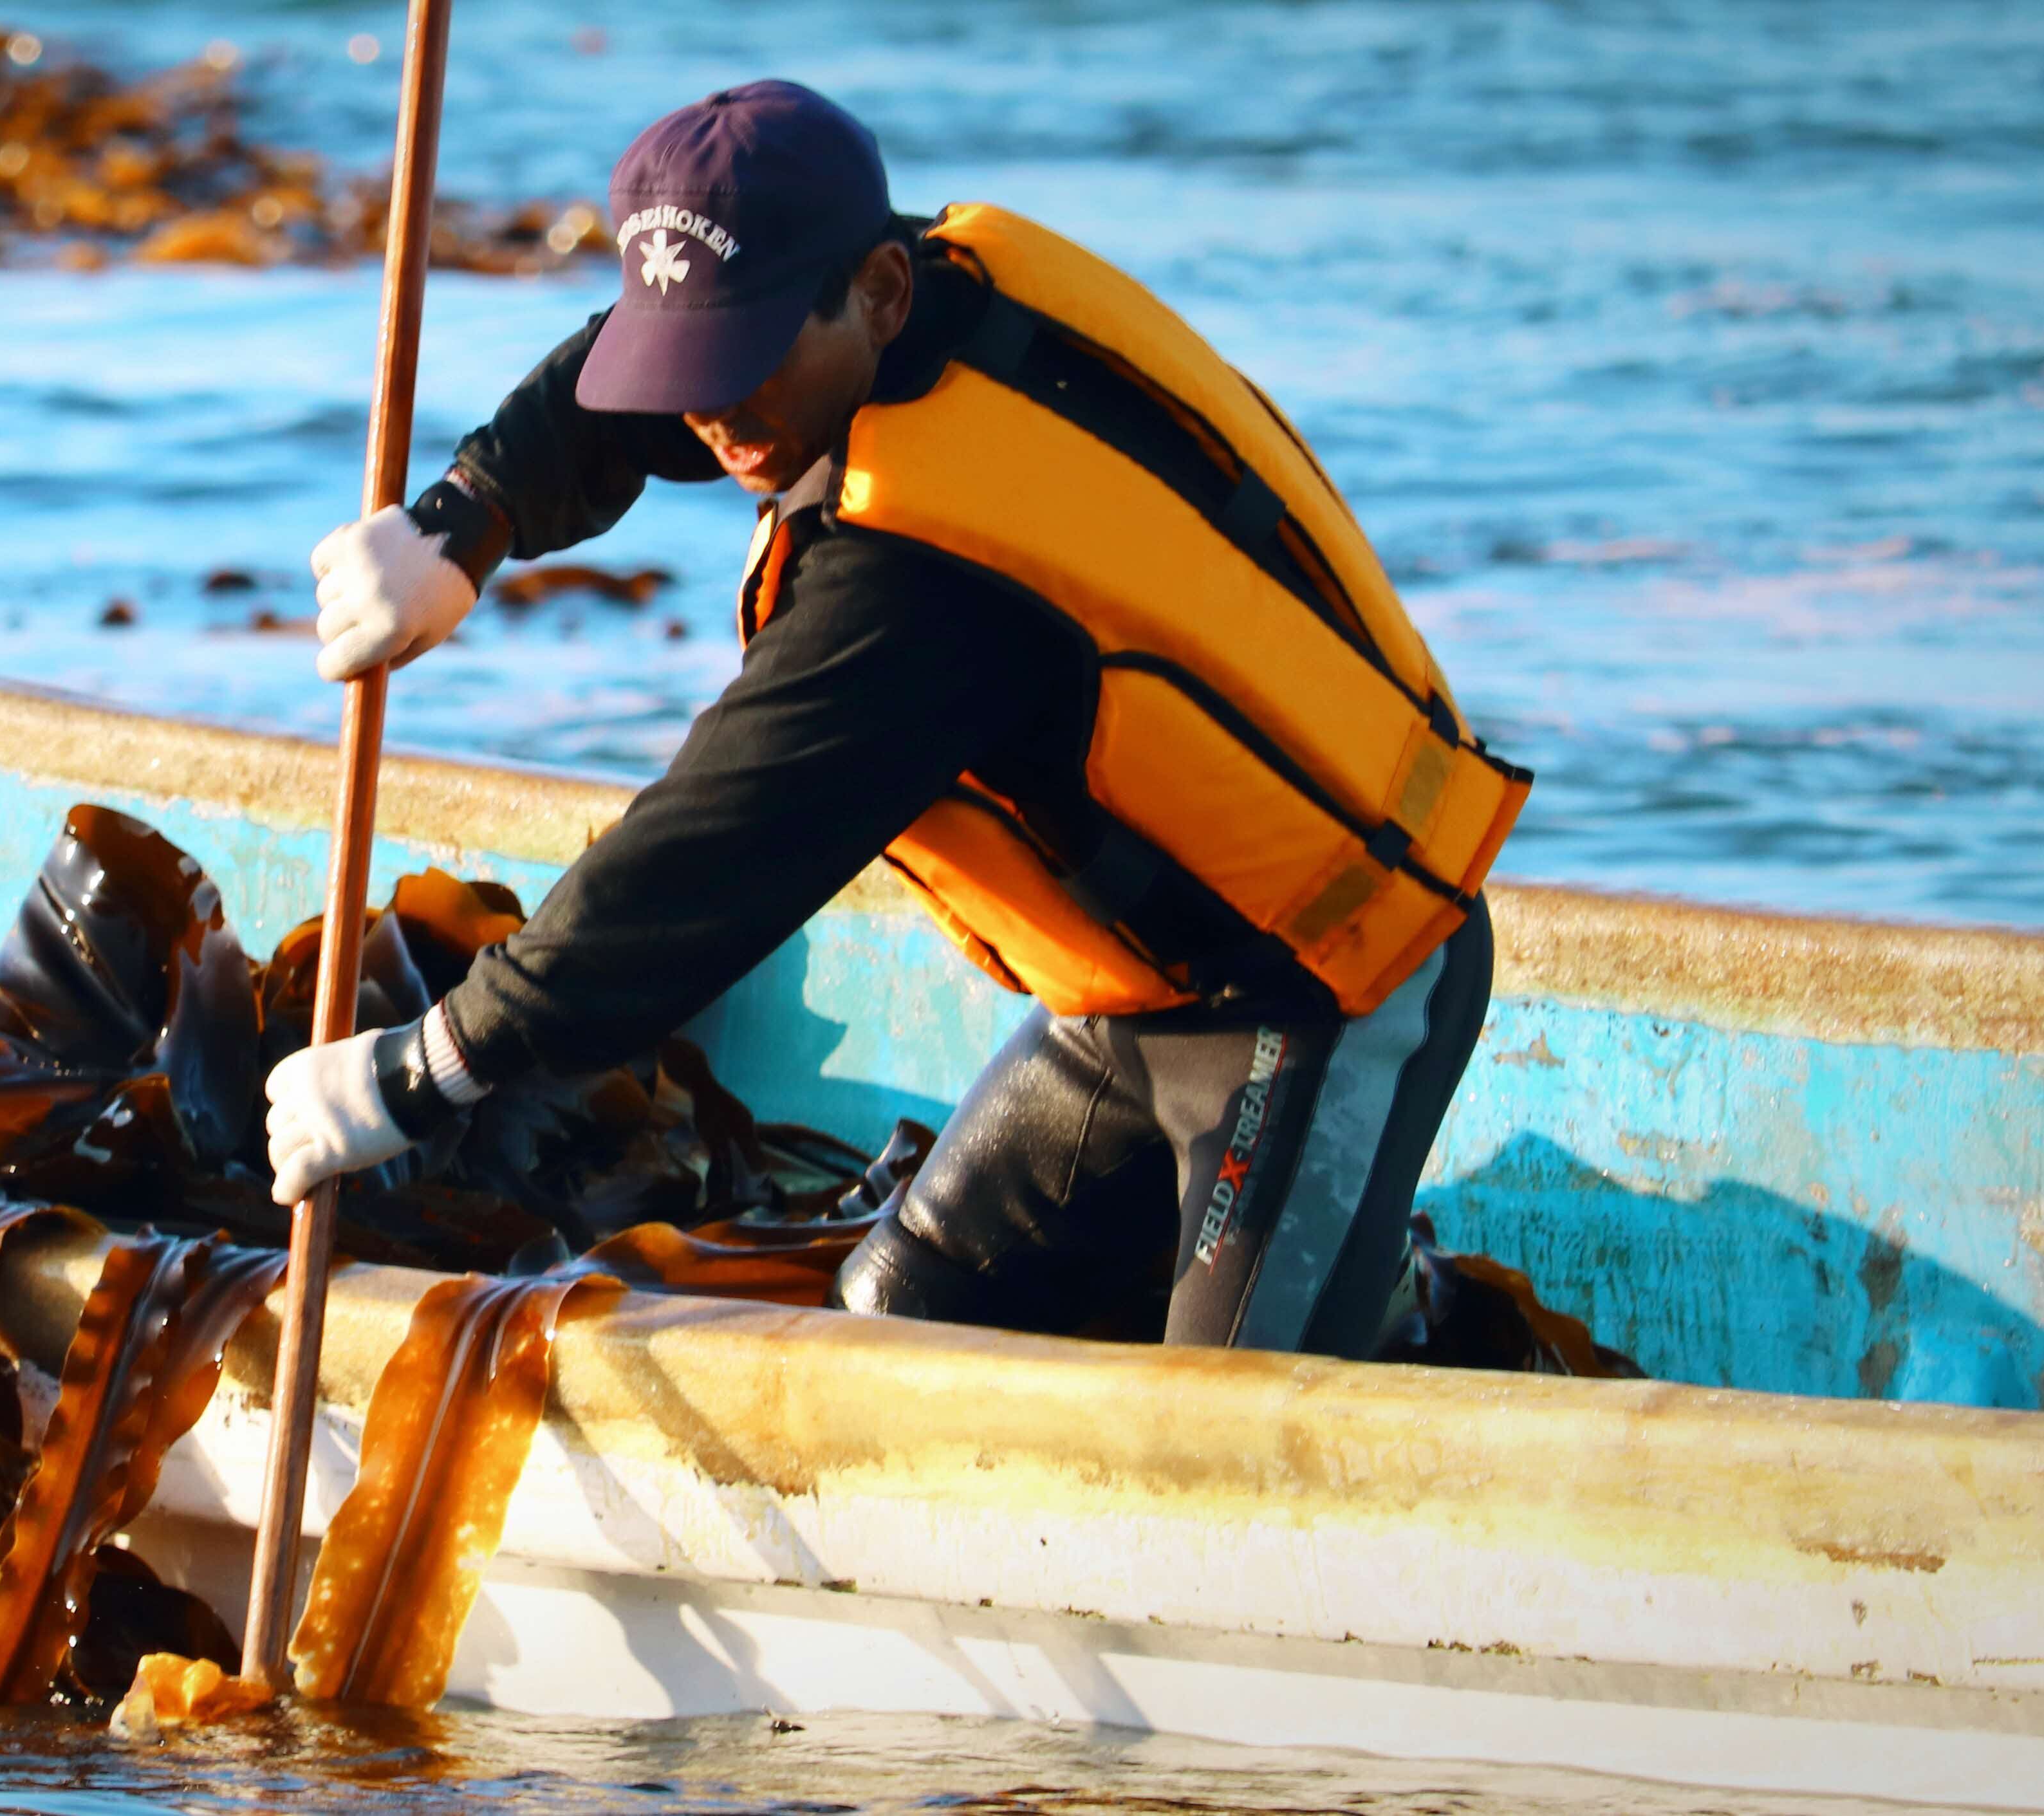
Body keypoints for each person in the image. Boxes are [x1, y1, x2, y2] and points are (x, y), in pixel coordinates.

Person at [260, 81, 1530, 1357]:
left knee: (1239, 1424)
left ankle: (1415, 1323)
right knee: (900, 1317)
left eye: (744, 361)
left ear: (876, 291)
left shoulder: (926, 582)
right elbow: (647, 351)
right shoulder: (906, 290)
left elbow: (698, 860)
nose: (709, 414)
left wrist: (420, 1069)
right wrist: (466, 518)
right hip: (1141, 988)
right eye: (683, 365)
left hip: (1325, 975)